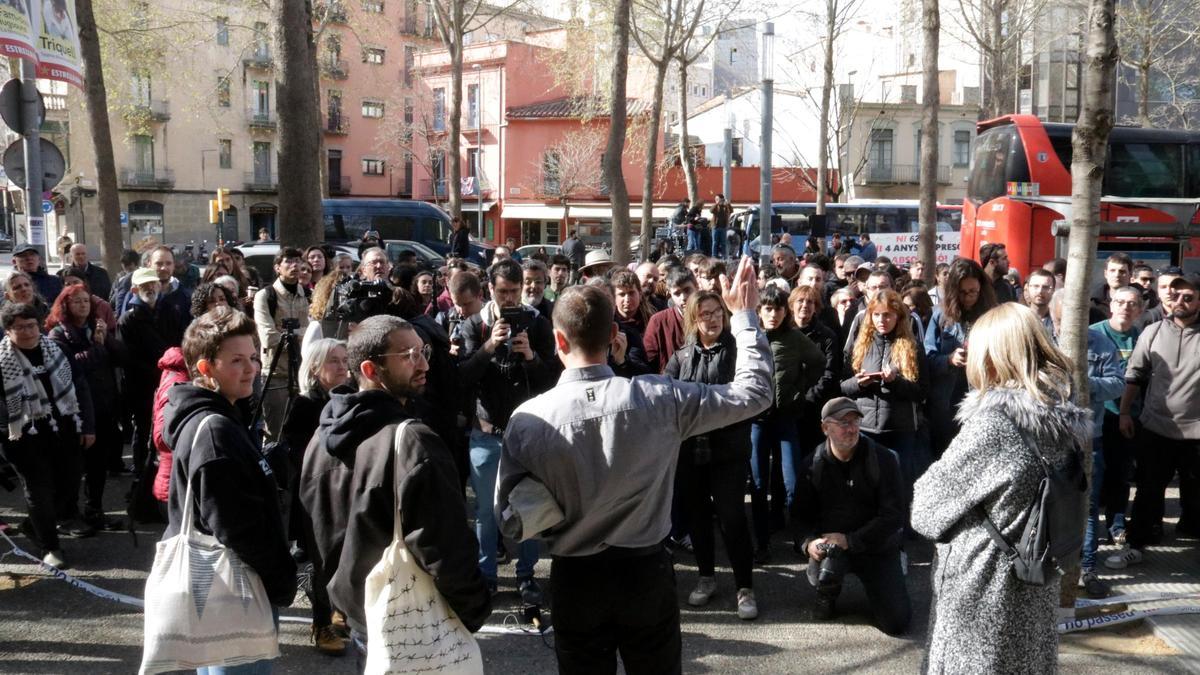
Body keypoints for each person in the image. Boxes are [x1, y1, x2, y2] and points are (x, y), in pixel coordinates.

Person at [495, 258, 772, 674]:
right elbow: (754, 393)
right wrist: (745, 318)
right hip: (645, 573)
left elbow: (510, 520)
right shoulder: (658, 399)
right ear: (613, 334)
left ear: (557, 340)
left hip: (576, 577)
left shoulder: (528, 420)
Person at [912, 302, 1090, 674]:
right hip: (1035, 580)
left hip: (985, 587)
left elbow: (925, 511)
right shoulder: (1063, 422)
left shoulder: (993, 426)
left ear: (994, 357)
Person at [299, 315, 491, 658]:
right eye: (407, 355)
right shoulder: (413, 441)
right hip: (412, 619)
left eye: (423, 351)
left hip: (362, 617)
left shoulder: (321, 435)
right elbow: (445, 546)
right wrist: (474, 610)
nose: (423, 364)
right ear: (371, 370)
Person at [159, 307, 296, 673]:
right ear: (206, 368)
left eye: (254, 357)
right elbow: (236, 526)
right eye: (237, 360)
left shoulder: (220, 416)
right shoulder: (215, 431)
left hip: (220, 593)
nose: (252, 368)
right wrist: (282, 580)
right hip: (233, 590)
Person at [458, 259, 558, 600]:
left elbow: (554, 381)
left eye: (515, 291)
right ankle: (487, 574)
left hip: (529, 434)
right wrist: (488, 347)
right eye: (503, 292)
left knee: (529, 506)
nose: (510, 299)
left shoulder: (538, 324)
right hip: (486, 433)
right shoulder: (474, 324)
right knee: (487, 510)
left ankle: (526, 574)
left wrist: (530, 356)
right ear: (490, 289)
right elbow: (462, 378)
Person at [666, 291, 761, 619]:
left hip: (729, 451)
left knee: (732, 518)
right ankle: (706, 577)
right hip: (690, 451)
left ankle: (744, 587)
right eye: (705, 313)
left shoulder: (737, 351)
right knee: (697, 519)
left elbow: (749, 395)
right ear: (693, 318)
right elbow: (667, 398)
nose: (713, 318)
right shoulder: (681, 356)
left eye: (717, 311)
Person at [1106, 272, 1200, 570]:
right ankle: (1136, 546)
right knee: (1147, 492)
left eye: (1188, 297)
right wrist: (1124, 412)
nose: (1180, 301)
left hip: (1197, 435)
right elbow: (1134, 375)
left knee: (1197, 498)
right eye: (1175, 295)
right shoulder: (1153, 331)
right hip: (1156, 428)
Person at [793, 397, 909, 633]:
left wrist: (851, 540)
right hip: (834, 551)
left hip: (876, 546)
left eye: (855, 421)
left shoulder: (883, 459)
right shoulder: (813, 464)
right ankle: (827, 593)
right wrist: (808, 544)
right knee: (825, 572)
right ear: (825, 427)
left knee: (896, 623)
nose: (852, 429)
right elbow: (799, 516)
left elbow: (894, 515)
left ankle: (889, 575)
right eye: (843, 423)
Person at [0, 302, 95, 568]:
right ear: (8, 331)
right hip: (22, 436)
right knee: (38, 490)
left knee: (68, 485)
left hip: (64, 429)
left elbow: (81, 387)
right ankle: (50, 547)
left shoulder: (58, 350)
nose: (28, 332)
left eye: (32, 325)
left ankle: (34, 524)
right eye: (20, 327)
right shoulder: (3, 361)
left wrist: (88, 426)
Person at [280, 338, 350, 656]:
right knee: (318, 560)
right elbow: (293, 452)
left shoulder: (352, 398)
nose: (341, 365)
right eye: (333, 360)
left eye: (344, 359)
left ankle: (341, 610)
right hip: (314, 497)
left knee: (346, 556)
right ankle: (320, 623)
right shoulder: (305, 403)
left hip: (346, 492)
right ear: (315, 367)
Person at [751, 285, 823, 561]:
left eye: (778, 309)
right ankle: (761, 543)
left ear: (785, 311)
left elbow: (818, 362)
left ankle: (800, 538)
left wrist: (799, 390)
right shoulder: (750, 338)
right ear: (759, 311)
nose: (773, 314)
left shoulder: (793, 338)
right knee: (758, 484)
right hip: (757, 421)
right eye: (767, 308)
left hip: (786, 419)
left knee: (793, 483)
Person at [46, 285, 122, 532]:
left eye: (86, 301)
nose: (83, 305)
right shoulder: (58, 334)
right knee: (74, 466)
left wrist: (106, 339)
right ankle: (68, 515)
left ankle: (94, 510)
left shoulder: (95, 329)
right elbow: (70, 368)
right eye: (77, 301)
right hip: (76, 409)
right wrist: (97, 348)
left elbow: (122, 356)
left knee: (98, 465)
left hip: (104, 405)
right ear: (65, 305)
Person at [841, 289, 928, 493]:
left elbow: (922, 392)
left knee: (899, 487)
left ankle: (901, 525)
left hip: (901, 430)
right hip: (866, 428)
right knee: (867, 486)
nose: (882, 320)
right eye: (877, 314)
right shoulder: (861, 345)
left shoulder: (912, 347)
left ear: (898, 316)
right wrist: (859, 383)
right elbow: (843, 386)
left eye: (887, 314)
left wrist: (895, 382)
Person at [925, 258, 997, 458]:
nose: (968, 297)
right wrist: (949, 359)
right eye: (963, 292)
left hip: (983, 399)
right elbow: (927, 357)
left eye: (973, 291)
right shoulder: (940, 315)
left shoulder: (992, 316)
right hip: (946, 404)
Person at [118, 268, 185, 477]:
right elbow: (128, 358)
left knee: (170, 424)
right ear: (134, 289)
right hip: (142, 385)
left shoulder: (169, 311)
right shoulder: (127, 320)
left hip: (170, 381)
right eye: (144, 285)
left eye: (153, 283)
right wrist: (158, 371)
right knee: (144, 427)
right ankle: (141, 471)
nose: (150, 288)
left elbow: (178, 342)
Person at [1091, 286, 1143, 550]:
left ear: (1140, 309)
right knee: (1095, 477)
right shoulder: (1096, 334)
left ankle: (1116, 525)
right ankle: (1090, 532)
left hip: (1129, 417)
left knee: (1120, 474)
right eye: (1120, 302)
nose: (1126, 307)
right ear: (1110, 305)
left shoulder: (1142, 337)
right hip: (1101, 416)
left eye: (1132, 303)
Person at [254, 248, 310, 443]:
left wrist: (288, 334)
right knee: (274, 435)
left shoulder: (308, 295)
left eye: (298, 260)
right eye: (289, 261)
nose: (295, 265)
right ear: (278, 267)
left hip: (303, 373)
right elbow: (269, 338)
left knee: (303, 433)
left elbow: (316, 332)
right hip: (275, 375)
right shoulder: (266, 296)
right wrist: (303, 334)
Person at [643, 267, 697, 372]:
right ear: (670, 294)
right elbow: (648, 361)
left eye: (687, 290)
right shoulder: (658, 321)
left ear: (696, 287)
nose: (683, 297)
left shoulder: (708, 317)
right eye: (677, 293)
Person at [1089, 253, 1133, 322]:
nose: (1117, 275)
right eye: (1112, 270)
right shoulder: (1093, 303)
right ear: (1106, 274)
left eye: (1122, 271)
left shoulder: (1142, 302)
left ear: (1130, 274)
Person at [1024, 268, 1056, 335]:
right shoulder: (1018, 320)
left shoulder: (1058, 322)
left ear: (1053, 290)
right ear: (1028, 288)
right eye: (1036, 286)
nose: (1040, 291)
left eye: (1046, 287)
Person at [710, 194, 733, 259]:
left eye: (718, 199)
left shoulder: (725, 207)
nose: (717, 200)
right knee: (715, 242)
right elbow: (711, 210)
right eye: (716, 199)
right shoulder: (715, 206)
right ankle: (714, 255)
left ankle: (724, 255)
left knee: (723, 242)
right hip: (715, 227)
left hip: (723, 227)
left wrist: (728, 204)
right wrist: (716, 204)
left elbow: (731, 211)